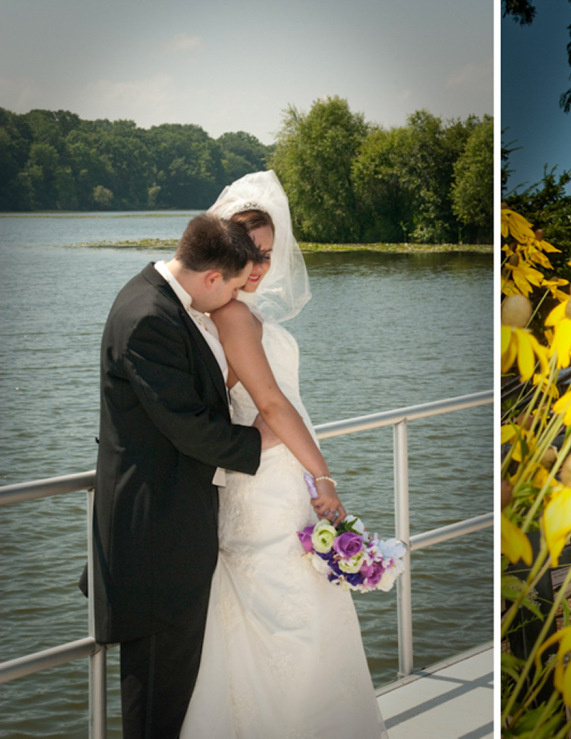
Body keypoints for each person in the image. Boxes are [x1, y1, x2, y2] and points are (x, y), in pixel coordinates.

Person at [180, 171, 388, 738]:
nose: (263, 267)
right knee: (285, 617)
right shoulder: (231, 316)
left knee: (310, 612)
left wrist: (309, 475)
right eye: (252, 253)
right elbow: (269, 404)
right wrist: (326, 479)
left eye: (270, 254)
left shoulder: (243, 312)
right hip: (264, 486)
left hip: (285, 478)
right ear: (225, 249)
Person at [92, 214, 273, 738]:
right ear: (213, 278)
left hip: (166, 537)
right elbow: (187, 426)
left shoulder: (157, 299)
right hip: (155, 546)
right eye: (237, 284)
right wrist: (262, 438)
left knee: (170, 702)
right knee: (155, 712)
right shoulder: (149, 316)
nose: (238, 296)